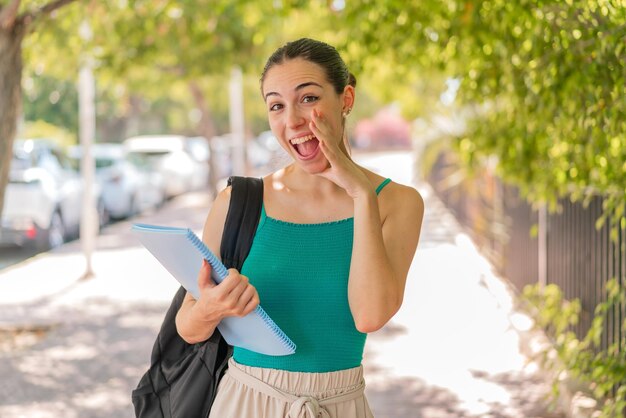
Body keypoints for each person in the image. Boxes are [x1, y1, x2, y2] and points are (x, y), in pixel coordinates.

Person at [175, 38, 424, 418]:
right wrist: (210, 309)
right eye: (277, 105)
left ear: (346, 99)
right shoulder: (238, 203)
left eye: (308, 98)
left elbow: (370, 316)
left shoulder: (398, 203)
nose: (292, 120)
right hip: (245, 403)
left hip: (339, 405)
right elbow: (188, 327)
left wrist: (360, 194)